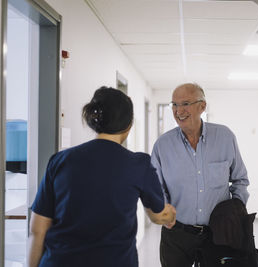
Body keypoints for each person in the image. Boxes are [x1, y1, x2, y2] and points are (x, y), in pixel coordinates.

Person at [28, 86, 176, 267]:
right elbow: (159, 215)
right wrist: (170, 215)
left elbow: (38, 230)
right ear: (129, 125)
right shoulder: (138, 164)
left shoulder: (60, 160)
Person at [151, 83, 250, 267]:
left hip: (218, 233)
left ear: (202, 106)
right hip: (177, 235)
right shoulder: (162, 146)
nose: (179, 110)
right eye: (174, 105)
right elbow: (157, 187)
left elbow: (240, 180)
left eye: (185, 103)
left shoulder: (225, 137)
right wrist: (163, 209)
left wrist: (236, 210)